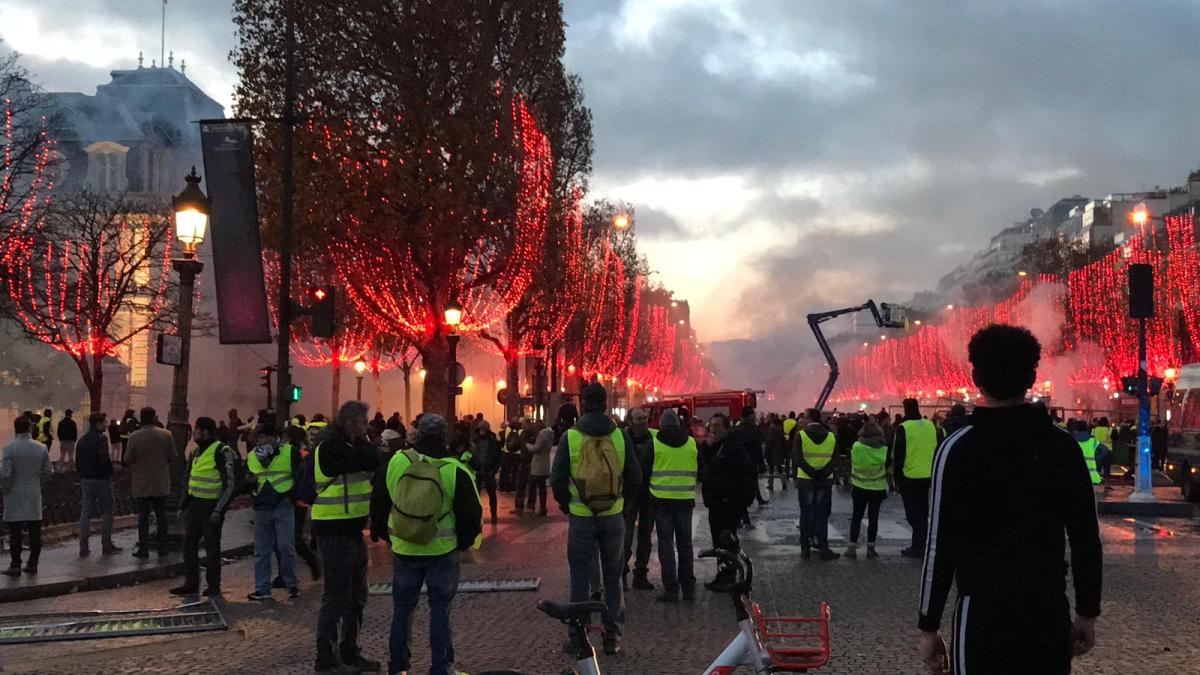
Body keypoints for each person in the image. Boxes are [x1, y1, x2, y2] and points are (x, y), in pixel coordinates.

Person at [919, 324, 1102, 674]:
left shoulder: (957, 449)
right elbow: (1086, 538)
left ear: (976, 377)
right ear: (1032, 377)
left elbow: (939, 544)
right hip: (1046, 610)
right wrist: (1087, 613)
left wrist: (929, 625)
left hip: (982, 613)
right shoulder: (1063, 447)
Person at [370, 413, 481, 675]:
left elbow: (380, 501)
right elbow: (471, 516)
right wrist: (461, 544)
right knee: (440, 612)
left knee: (402, 611)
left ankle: (398, 667)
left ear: (417, 433)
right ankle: (441, 667)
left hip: (404, 548)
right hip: (441, 552)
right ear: (444, 436)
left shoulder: (397, 461)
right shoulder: (454, 470)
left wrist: (387, 535)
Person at [549, 383, 641, 655]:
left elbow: (557, 479)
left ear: (583, 405)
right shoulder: (621, 437)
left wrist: (568, 505)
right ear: (606, 404)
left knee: (580, 576)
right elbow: (635, 478)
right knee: (614, 577)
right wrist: (621, 504)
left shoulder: (571, 437)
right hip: (613, 515)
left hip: (582, 516)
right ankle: (612, 635)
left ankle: (579, 634)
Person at [312, 401, 381, 674]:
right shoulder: (329, 445)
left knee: (356, 597)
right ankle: (326, 659)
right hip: (333, 528)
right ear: (352, 424)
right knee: (337, 596)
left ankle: (349, 653)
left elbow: (373, 460)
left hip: (351, 529)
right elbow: (364, 460)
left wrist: (364, 445)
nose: (367, 429)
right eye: (363, 424)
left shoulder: (350, 443)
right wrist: (364, 444)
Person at [171, 417, 237, 597]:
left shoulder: (222, 451)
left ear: (206, 431)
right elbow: (190, 480)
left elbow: (229, 484)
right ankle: (191, 583)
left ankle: (213, 586)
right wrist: (183, 505)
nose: (194, 434)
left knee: (211, 547)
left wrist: (218, 509)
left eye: (197, 430)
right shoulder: (196, 453)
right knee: (189, 546)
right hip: (194, 505)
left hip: (211, 507)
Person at [698, 412, 755, 588]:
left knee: (726, 539)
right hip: (715, 502)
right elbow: (706, 471)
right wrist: (707, 449)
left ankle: (728, 576)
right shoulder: (711, 446)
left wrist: (740, 499)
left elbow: (741, 474)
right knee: (718, 541)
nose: (713, 429)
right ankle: (723, 573)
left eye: (717, 426)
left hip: (728, 501)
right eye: (711, 426)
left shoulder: (733, 448)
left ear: (726, 428)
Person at [247, 417, 301, 601]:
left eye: (265, 438)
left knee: (285, 547)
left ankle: (291, 583)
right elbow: (249, 476)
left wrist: (293, 497)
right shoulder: (252, 455)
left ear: (274, 438)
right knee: (262, 550)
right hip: (262, 505)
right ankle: (262, 588)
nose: (262, 442)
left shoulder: (289, 452)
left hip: (283, 504)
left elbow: (298, 475)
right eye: (259, 438)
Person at [648, 409, 698, 603]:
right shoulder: (692, 443)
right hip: (685, 500)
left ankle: (671, 589)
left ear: (661, 425)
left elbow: (645, 471)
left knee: (666, 545)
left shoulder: (655, 444)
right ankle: (688, 587)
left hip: (661, 501)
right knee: (685, 545)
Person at [891, 398, 945, 559]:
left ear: (905, 409)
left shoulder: (904, 428)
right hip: (927, 475)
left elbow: (898, 455)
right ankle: (921, 542)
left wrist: (896, 478)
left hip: (909, 476)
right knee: (922, 511)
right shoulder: (930, 426)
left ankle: (918, 545)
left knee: (913, 513)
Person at [2, 415, 52, 575]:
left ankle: (15, 564)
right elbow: (48, 472)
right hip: (33, 494)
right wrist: (38, 484)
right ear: (30, 428)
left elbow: (6, 474)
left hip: (14, 495)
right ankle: (33, 564)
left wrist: (6, 490)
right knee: (35, 533)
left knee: (15, 532)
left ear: (15, 428)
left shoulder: (9, 448)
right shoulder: (41, 448)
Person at [124, 407, 175, 558]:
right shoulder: (166, 435)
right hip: (160, 482)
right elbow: (172, 456)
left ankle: (143, 549)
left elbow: (127, 459)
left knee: (143, 517)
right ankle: (163, 548)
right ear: (154, 418)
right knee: (161, 516)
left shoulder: (134, 436)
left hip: (141, 482)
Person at [793, 411, 839, 561]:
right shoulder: (831, 436)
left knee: (806, 514)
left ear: (810, 419)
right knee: (822, 515)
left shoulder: (801, 436)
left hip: (806, 480)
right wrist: (823, 473)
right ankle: (823, 547)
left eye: (804, 417)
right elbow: (835, 459)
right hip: (824, 481)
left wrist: (811, 473)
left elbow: (798, 458)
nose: (801, 419)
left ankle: (805, 548)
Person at [76, 412, 121, 557]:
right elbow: (104, 459)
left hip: (86, 479)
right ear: (98, 424)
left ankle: (83, 546)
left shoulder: (82, 440)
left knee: (86, 513)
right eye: (104, 423)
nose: (106, 425)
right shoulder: (101, 439)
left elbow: (78, 461)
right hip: (101, 480)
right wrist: (110, 472)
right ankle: (106, 544)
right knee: (107, 512)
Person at [622, 407, 656, 592]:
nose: (642, 421)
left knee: (645, 535)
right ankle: (622, 572)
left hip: (648, 493)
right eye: (638, 418)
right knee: (625, 536)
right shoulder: (622, 439)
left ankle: (640, 573)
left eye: (644, 417)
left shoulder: (654, 438)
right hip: (628, 494)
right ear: (630, 421)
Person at [844, 420, 888, 560]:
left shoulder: (857, 446)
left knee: (856, 517)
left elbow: (854, 461)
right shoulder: (883, 448)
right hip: (877, 487)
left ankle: (852, 547)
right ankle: (871, 548)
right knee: (873, 518)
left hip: (859, 486)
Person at [467, 421, 501, 524]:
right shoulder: (474, 441)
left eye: (483, 429)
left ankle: (494, 514)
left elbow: (498, 458)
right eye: (480, 429)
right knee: (475, 495)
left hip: (488, 471)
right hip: (477, 471)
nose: (481, 431)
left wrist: (494, 470)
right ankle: (475, 514)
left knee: (492, 495)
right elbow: (470, 455)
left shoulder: (494, 442)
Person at [1071, 420, 1106, 487]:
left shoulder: (1072, 442)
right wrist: (1097, 458)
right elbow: (1105, 450)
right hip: (1093, 478)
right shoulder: (1093, 441)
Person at [764, 413, 789, 492]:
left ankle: (771, 485)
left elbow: (767, 446)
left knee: (771, 469)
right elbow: (785, 444)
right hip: (779, 454)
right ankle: (784, 484)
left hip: (771, 454)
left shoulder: (770, 434)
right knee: (780, 469)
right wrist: (785, 454)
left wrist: (766, 455)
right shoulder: (781, 433)